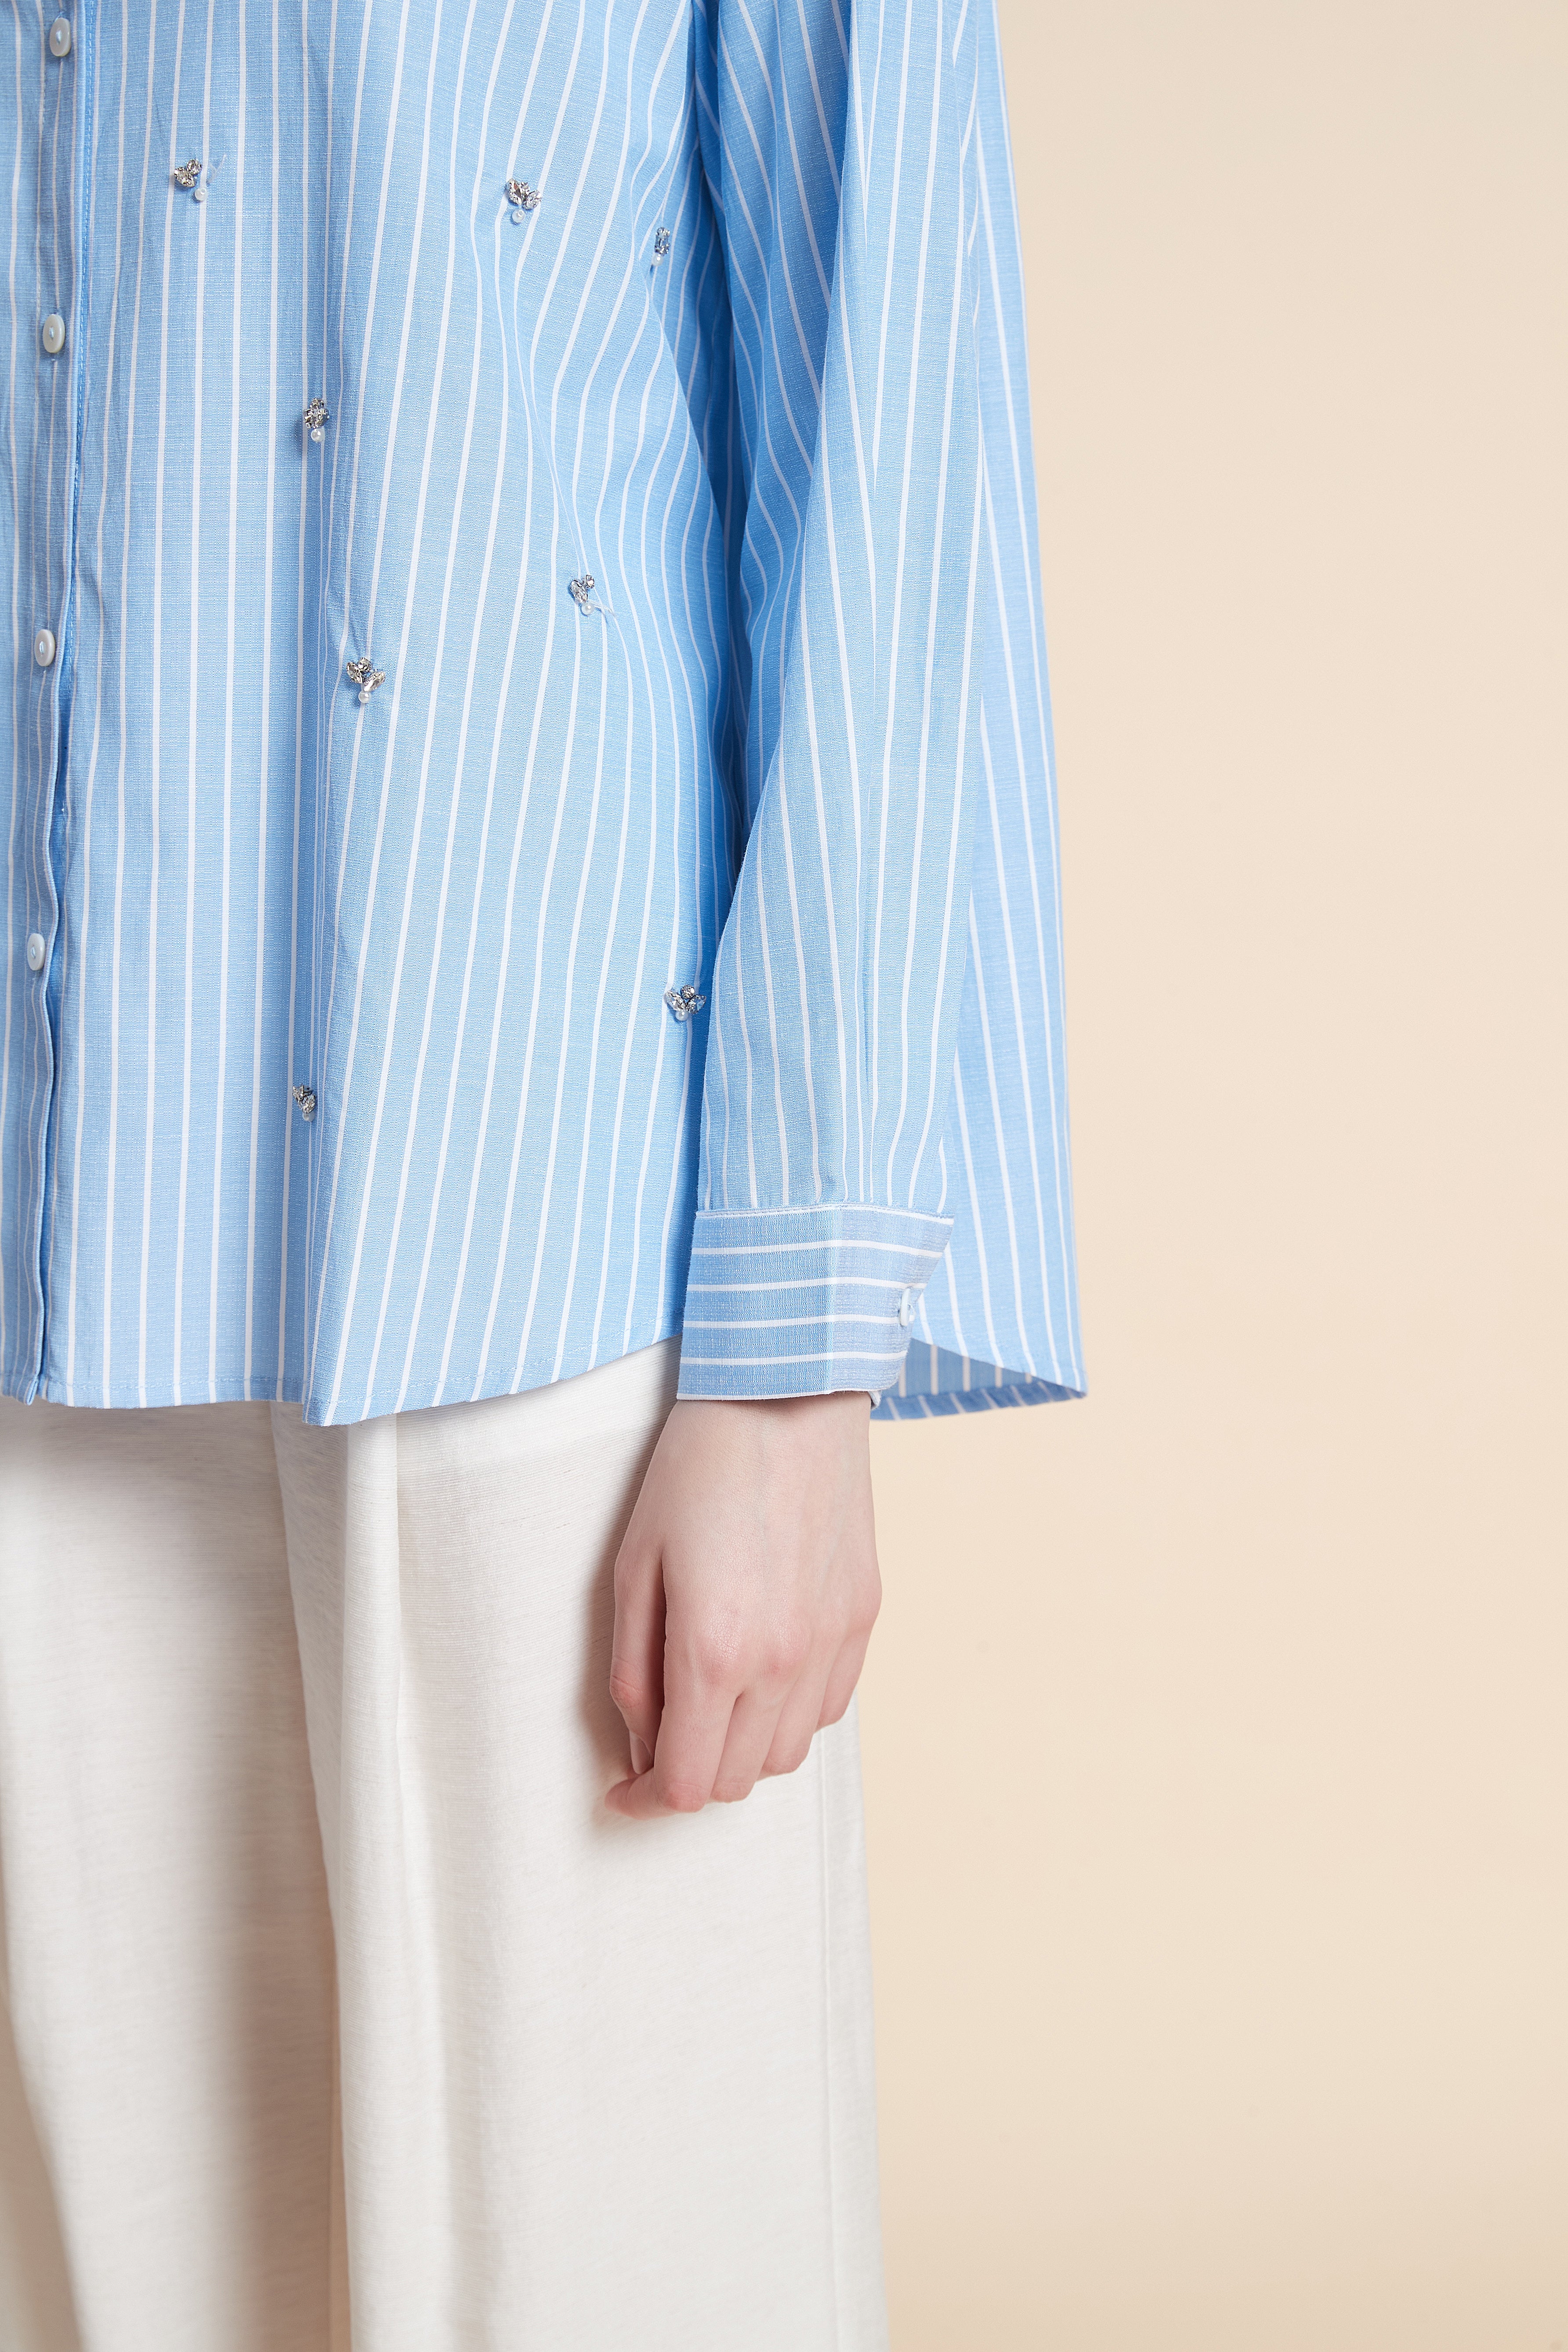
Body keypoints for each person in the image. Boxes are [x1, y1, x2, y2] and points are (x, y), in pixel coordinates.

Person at [0, 2, 1083, 2346]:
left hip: (528, 1202)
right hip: (43, 1233)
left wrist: (791, 1369)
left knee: (617, 2285)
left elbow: (885, 425)